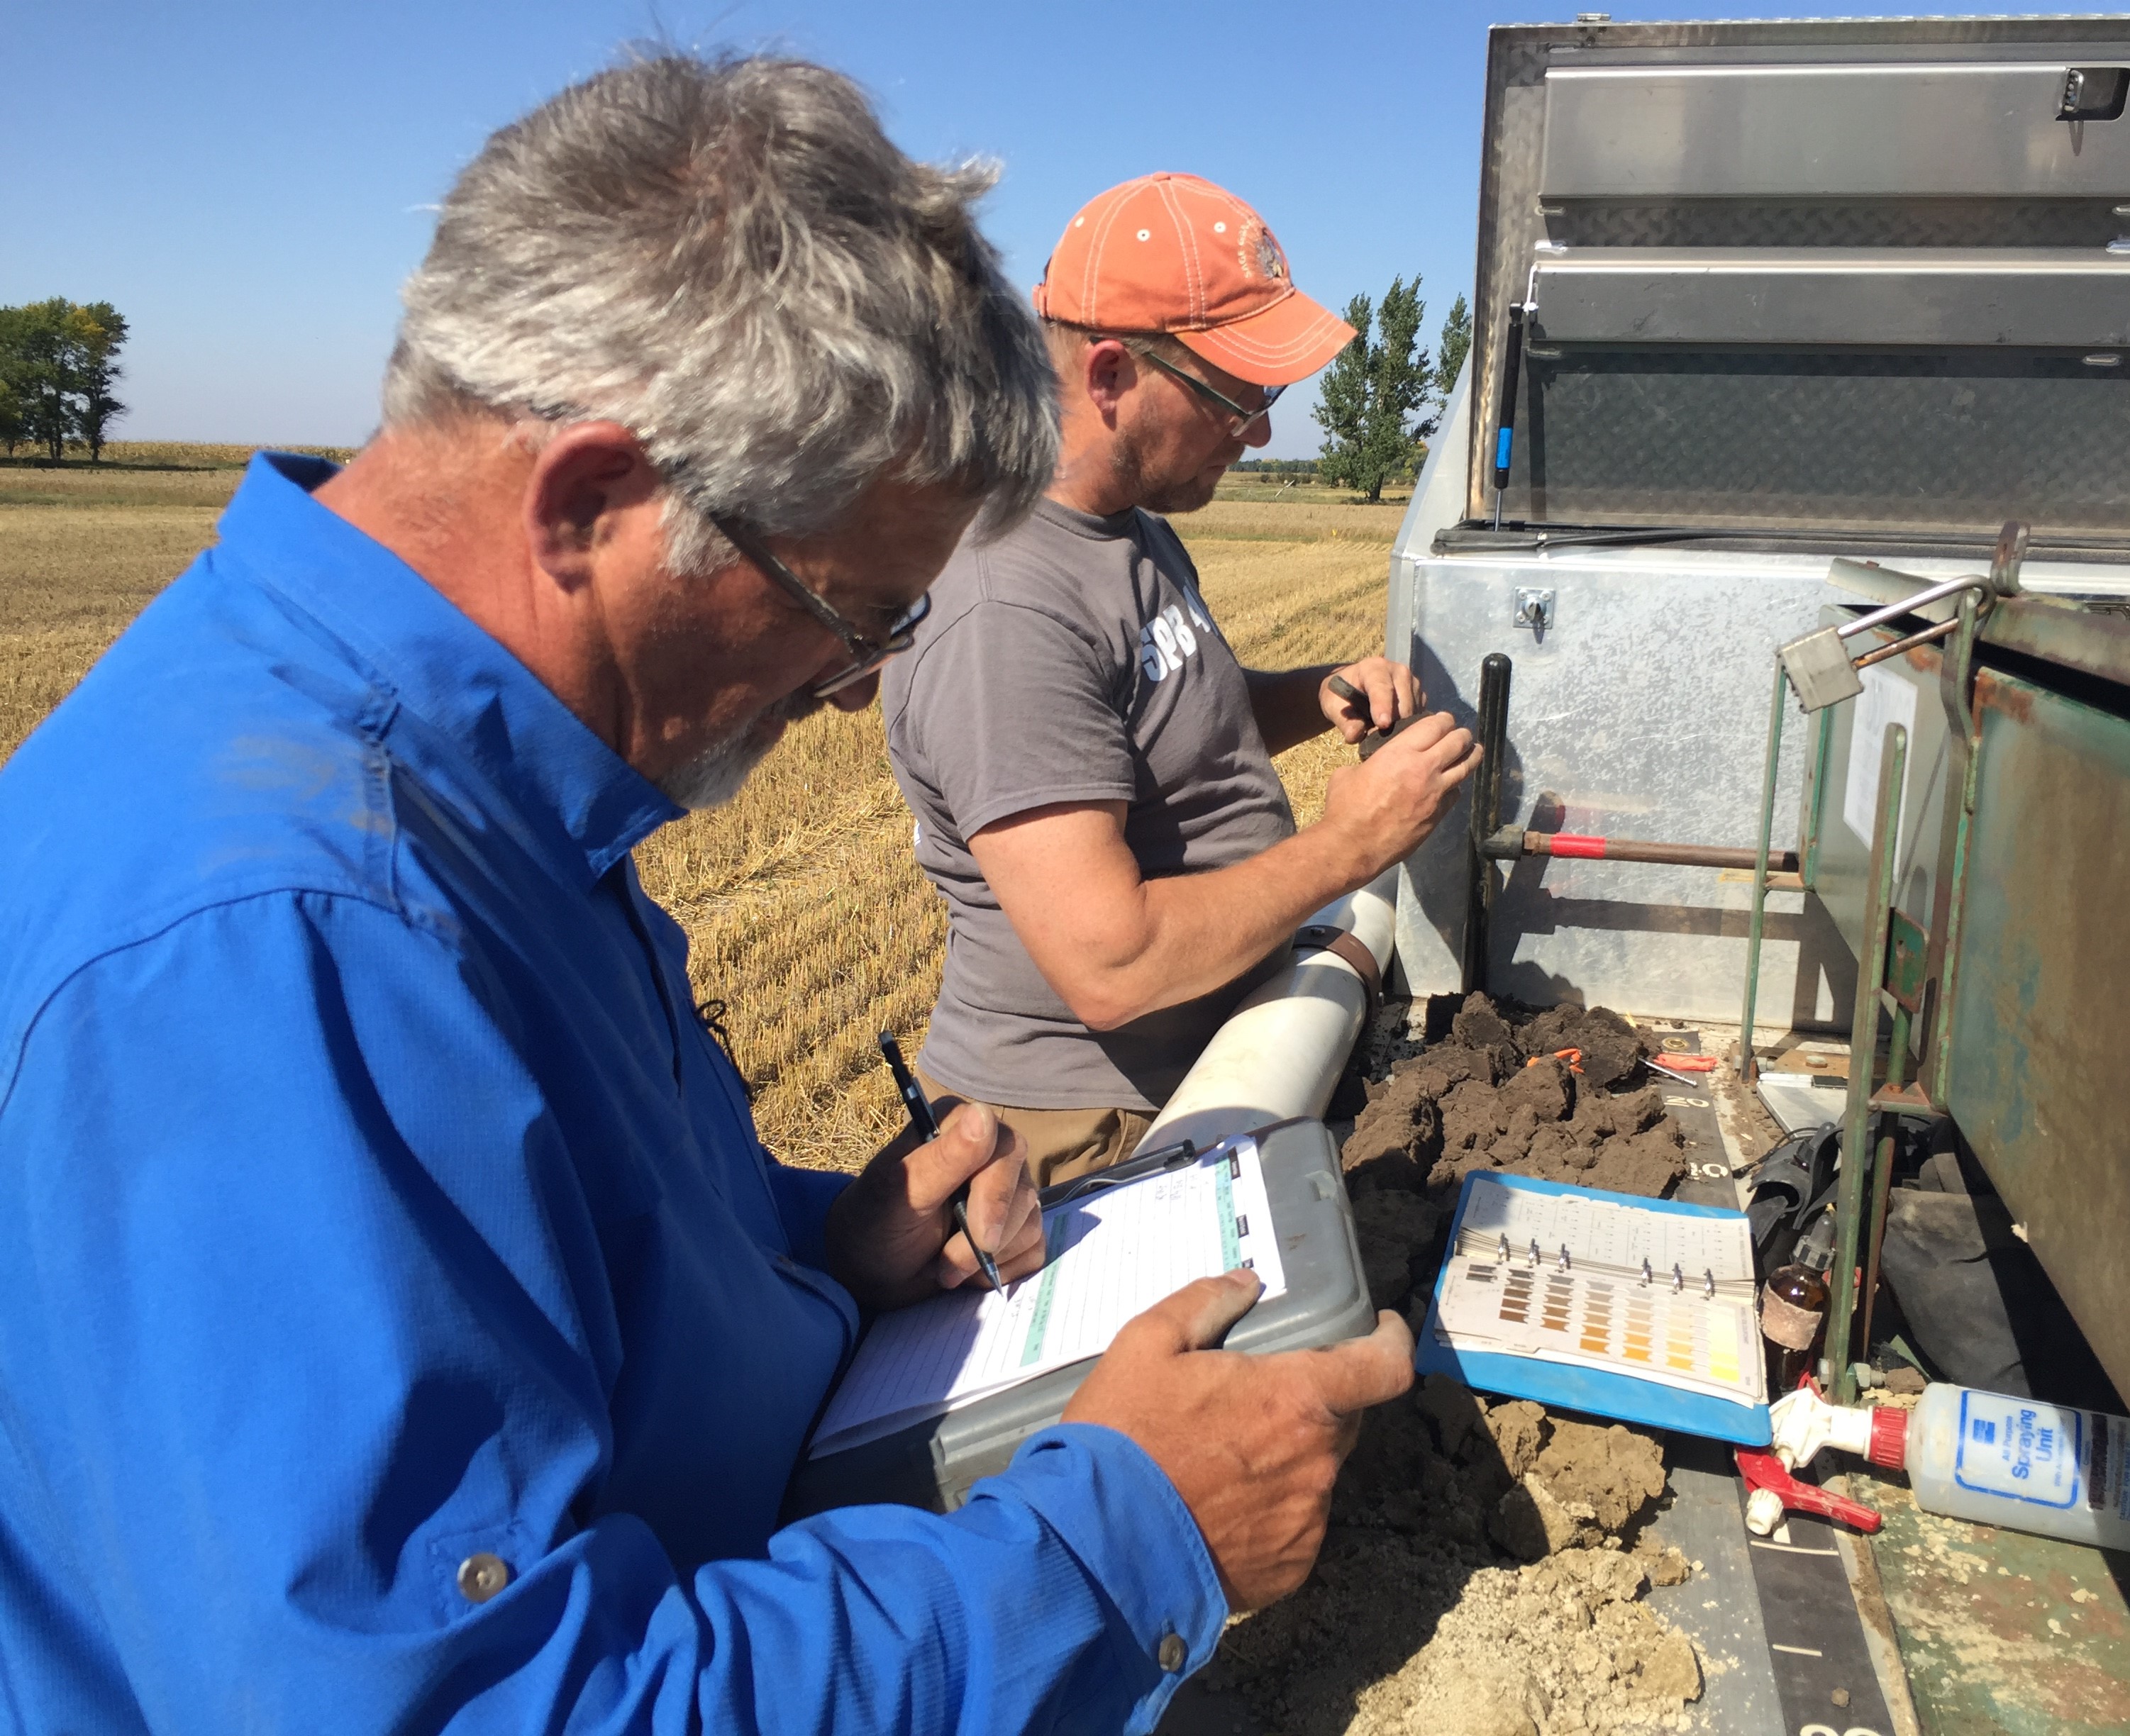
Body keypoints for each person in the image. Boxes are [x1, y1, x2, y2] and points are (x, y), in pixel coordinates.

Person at [0, 55, 1419, 1736]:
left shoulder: (455, 789)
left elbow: (541, 1245)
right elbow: (466, 1704)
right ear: (594, 502)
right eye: (856, 608)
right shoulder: (277, 946)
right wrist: (1117, 1545)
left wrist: (813, 1244)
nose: (853, 689)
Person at [882, 174, 1479, 1185]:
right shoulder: (1006, 609)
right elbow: (1114, 967)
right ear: (1111, 373)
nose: (1260, 433)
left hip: (1202, 1059)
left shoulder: (1130, 531)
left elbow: (1169, 715)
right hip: (1089, 1130)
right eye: (1237, 395)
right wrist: (1353, 843)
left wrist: (1312, 691)